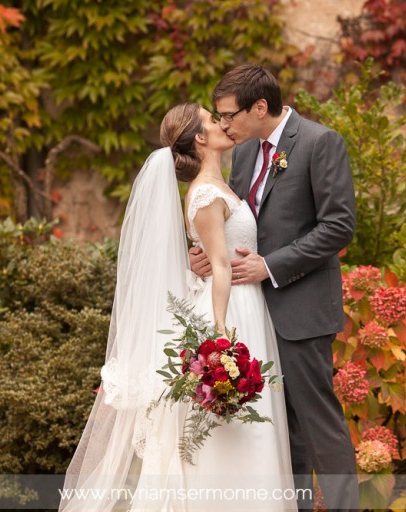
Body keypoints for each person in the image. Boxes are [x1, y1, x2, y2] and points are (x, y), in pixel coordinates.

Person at [59, 103, 296, 512]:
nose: (223, 123)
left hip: (249, 307)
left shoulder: (223, 184)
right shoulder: (205, 193)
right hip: (231, 312)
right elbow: (219, 266)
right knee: (229, 434)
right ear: (200, 138)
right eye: (211, 120)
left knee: (253, 429)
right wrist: (222, 332)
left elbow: (215, 256)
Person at [189, 65, 359, 511]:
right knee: (282, 431)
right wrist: (207, 255)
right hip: (253, 315)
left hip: (300, 309)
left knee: (318, 425)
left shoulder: (320, 143)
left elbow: (339, 225)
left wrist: (273, 266)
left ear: (260, 107)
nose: (223, 125)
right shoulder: (244, 153)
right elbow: (237, 222)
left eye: (229, 115)